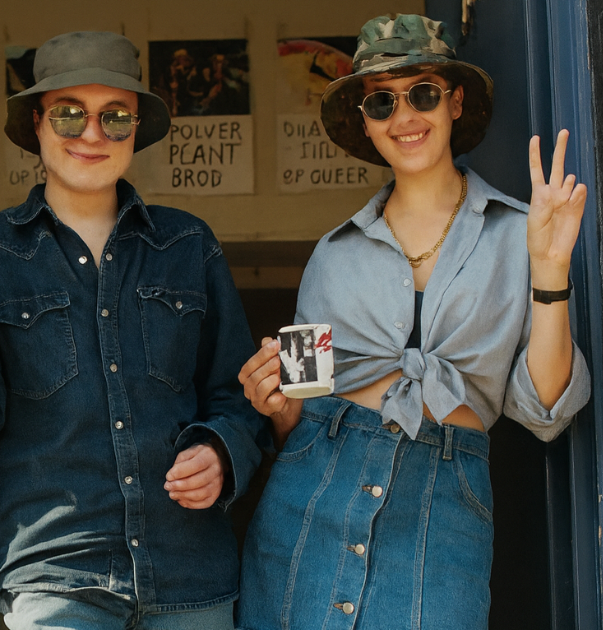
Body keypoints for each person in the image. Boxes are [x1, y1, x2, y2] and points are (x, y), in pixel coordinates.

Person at [235, 15, 591, 629]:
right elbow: (299, 416)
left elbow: (546, 411)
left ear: (455, 101)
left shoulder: (519, 236)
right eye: (381, 101)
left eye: (423, 93)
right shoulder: (332, 253)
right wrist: (273, 401)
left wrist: (550, 267)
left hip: (445, 500)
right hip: (313, 493)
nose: (404, 117)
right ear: (366, 122)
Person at [0, 31, 263, 630]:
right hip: (55, 579)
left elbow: (239, 396)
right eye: (70, 115)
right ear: (38, 128)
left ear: (134, 131)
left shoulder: (188, 245)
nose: (92, 134)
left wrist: (220, 452)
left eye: (115, 117)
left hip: (190, 578)